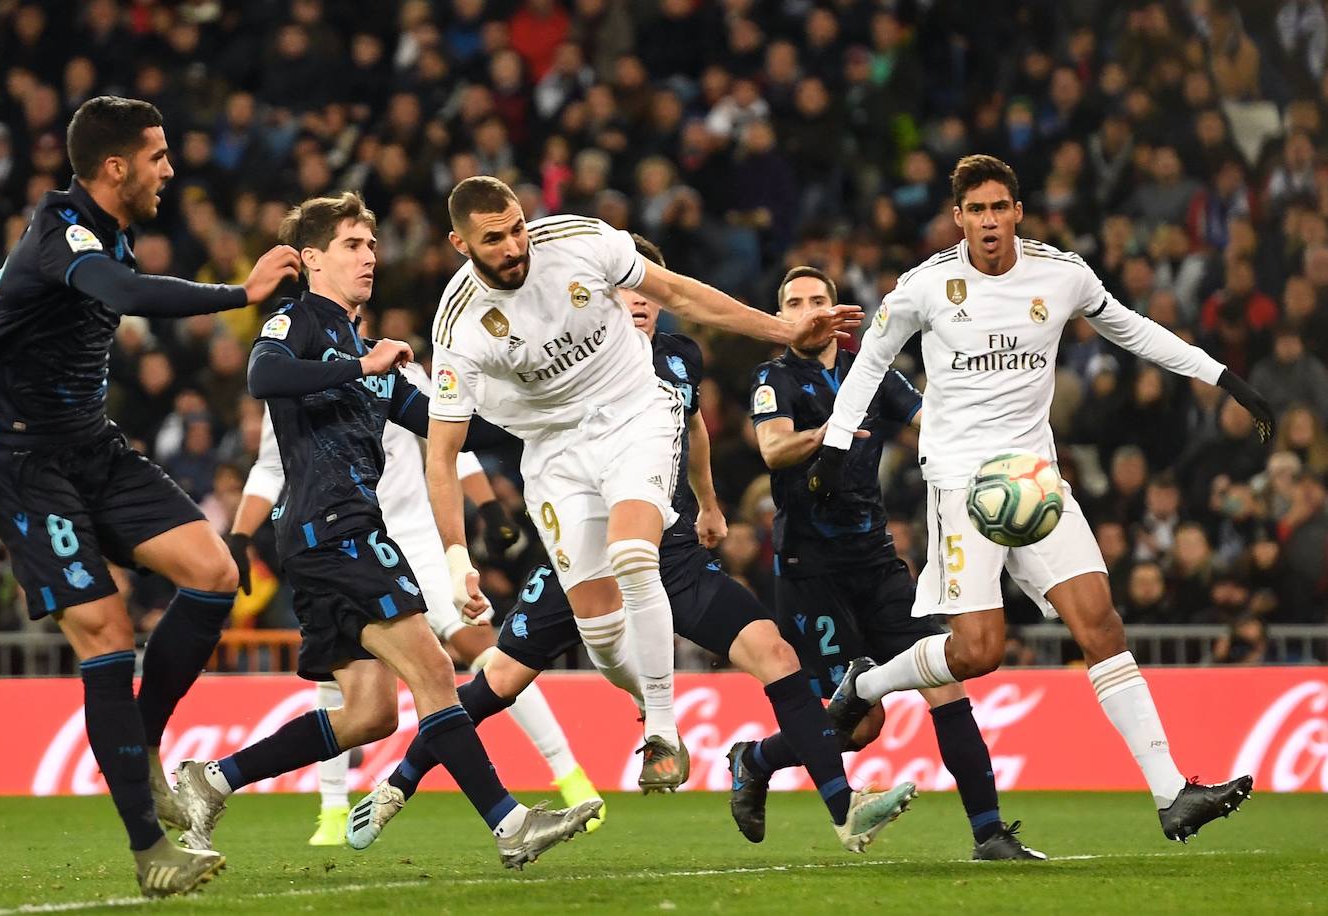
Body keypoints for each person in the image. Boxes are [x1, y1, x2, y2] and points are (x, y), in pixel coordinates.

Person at [348, 235, 914, 854]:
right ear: (598, 300)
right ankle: (396, 785)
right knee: (498, 679)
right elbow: (483, 422)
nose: (638, 301)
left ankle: (841, 806)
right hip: (586, 556)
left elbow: (693, 424)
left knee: (775, 654)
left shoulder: (680, 358)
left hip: (669, 549)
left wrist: (708, 502)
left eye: (648, 293)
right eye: (626, 290)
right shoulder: (570, 368)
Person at [810, 154, 1272, 842]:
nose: (990, 220)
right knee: (977, 651)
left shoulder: (1061, 275)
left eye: (1001, 207)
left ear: (1018, 213)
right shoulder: (925, 286)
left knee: (1101, 625)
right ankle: (866, 686)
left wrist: (1221, 375)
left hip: (1034, 480)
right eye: (977, 210)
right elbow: (872, 357)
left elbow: (1131, 327)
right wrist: (837, 444)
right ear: (958, 218)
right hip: (963, 483)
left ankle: (1172, 792)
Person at [171, 191, 599, 870]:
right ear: (311, 259)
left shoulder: (367, 351)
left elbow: (443, 423)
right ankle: (510, 823)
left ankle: (210, 779)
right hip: (332, 530)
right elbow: (264, 373)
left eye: (371, 245)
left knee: (370, 714)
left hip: (334, 538)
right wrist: (360, 368)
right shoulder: (301, 320)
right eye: (351, 244)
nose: (368, 256)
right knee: (434, 669)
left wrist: (543, 405)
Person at [0, 96, 301, 898]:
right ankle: (151, 850)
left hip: (91, 446)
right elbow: (126, 290)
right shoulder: (65, 237)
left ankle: (142, 742)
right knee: (107, 626)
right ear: (115, 167)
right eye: (158, 157)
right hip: (29, 467)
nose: (170, 172)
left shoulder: (107, 227)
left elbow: (24, 335)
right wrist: (241, 295)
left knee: (216, 571)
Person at [423, 176, 860, 791]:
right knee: (600, 632)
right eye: (494, 239)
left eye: (518, 227)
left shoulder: (580, 242)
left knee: (634, 553)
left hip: (635, 412)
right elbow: (442, 455)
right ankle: (642, 700)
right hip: (554, 451)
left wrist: (784, 331)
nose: (514, 246)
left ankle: (661, 727)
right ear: (459, 244)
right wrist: (455, 557)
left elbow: (682, 292)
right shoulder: (460, 326)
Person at [744, 265, 1043, 860]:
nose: (808, 311)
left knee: (945, 683)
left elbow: (929, 420)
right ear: (782, 318)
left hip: (878, 563)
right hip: (812, 571)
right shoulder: (773, 378)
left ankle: (989, 834)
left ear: (836, 309)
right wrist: (835, 428)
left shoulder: (870, 368)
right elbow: (773, 447)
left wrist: (994, 448)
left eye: (818, 300)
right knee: (861, 726)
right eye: (795, 303)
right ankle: (755, 759)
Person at [232, 388, 601, 846]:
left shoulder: (398, 372)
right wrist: (240, 536)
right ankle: (331, 808)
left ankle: (567, 773)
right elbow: (270, 467)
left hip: (417, 540)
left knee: (485, 653)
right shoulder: (292, 384)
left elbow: (450, 440)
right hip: (346, 542)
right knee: (346, 683)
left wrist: (486, 506)